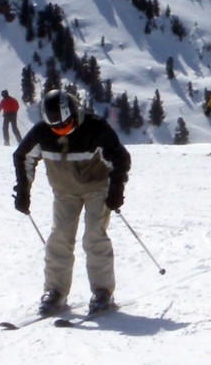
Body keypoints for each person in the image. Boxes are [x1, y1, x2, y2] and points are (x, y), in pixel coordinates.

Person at [13, 89, 131, 316]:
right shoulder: (42, 133)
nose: (61, 131)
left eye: (66, 125)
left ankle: (102, 291)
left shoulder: (95, 129)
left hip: (97, 188)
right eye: (56, 128)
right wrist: (23, 191)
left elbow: (120, 158)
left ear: (75, 114)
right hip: (64, 192)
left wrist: (116, 189)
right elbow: (23, 156)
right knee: (59, 238)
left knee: (94, 236)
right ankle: (55, 291)